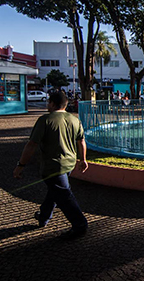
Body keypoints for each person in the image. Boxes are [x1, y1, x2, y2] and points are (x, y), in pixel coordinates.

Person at [13, 91, 89, 240]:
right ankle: (44, 216)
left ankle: (80, 225)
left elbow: (31, 144)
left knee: (65, 196)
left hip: (53, 166)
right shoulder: (75, 120)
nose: (47, 105)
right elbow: (81, 141)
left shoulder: (45, 120)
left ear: (53, 104)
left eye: (49, 102)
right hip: (69, 164)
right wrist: (83, 159)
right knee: (55, 192)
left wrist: (20, 165)